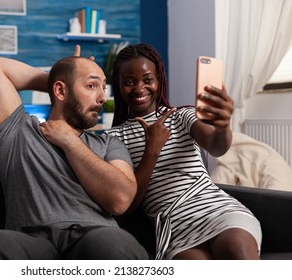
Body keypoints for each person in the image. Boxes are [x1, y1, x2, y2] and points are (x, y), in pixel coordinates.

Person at [0, 53, 148, 260]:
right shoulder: (20, 130)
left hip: (93, 237)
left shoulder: (109, 144)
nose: (103, 97)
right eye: (91, 86)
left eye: (103, 87)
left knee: (115, 243)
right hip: (31, 240)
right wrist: (63, 78)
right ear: (59, 90)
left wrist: (69, 141)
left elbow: (120, 200)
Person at [102, 43, 262, 260]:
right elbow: (128, 204)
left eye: (148, 80)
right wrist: (152, 151)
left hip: (218, 211)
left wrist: (223, 127)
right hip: (175, 228)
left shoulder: (182, 116)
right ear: (118, 86)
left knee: (235, 249)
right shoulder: (112, 138)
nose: (140, 88)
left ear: (159, 81)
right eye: (129, 82)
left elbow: (217, 147)